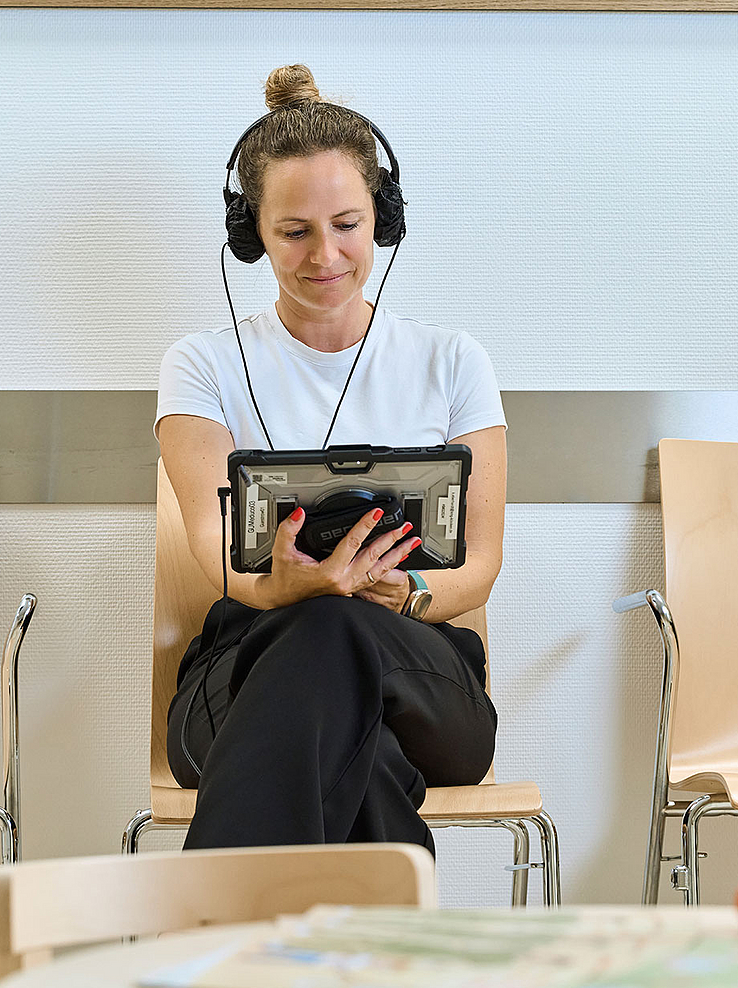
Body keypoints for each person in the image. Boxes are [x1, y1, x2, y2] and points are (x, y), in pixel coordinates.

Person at [154, 64, 505, 855]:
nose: (326, 254)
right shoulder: (200, 365)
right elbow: (213, 547)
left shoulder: (454, 361)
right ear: (252, 233)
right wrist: (279, 588)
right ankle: (385, 932)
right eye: (294, 231)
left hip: (419, 670)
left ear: (382, 215)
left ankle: (216, 914)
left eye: (347, 224)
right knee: (349, 726)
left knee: (336, 628)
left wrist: (403, 594)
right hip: (245, 660)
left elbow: (480, 564)